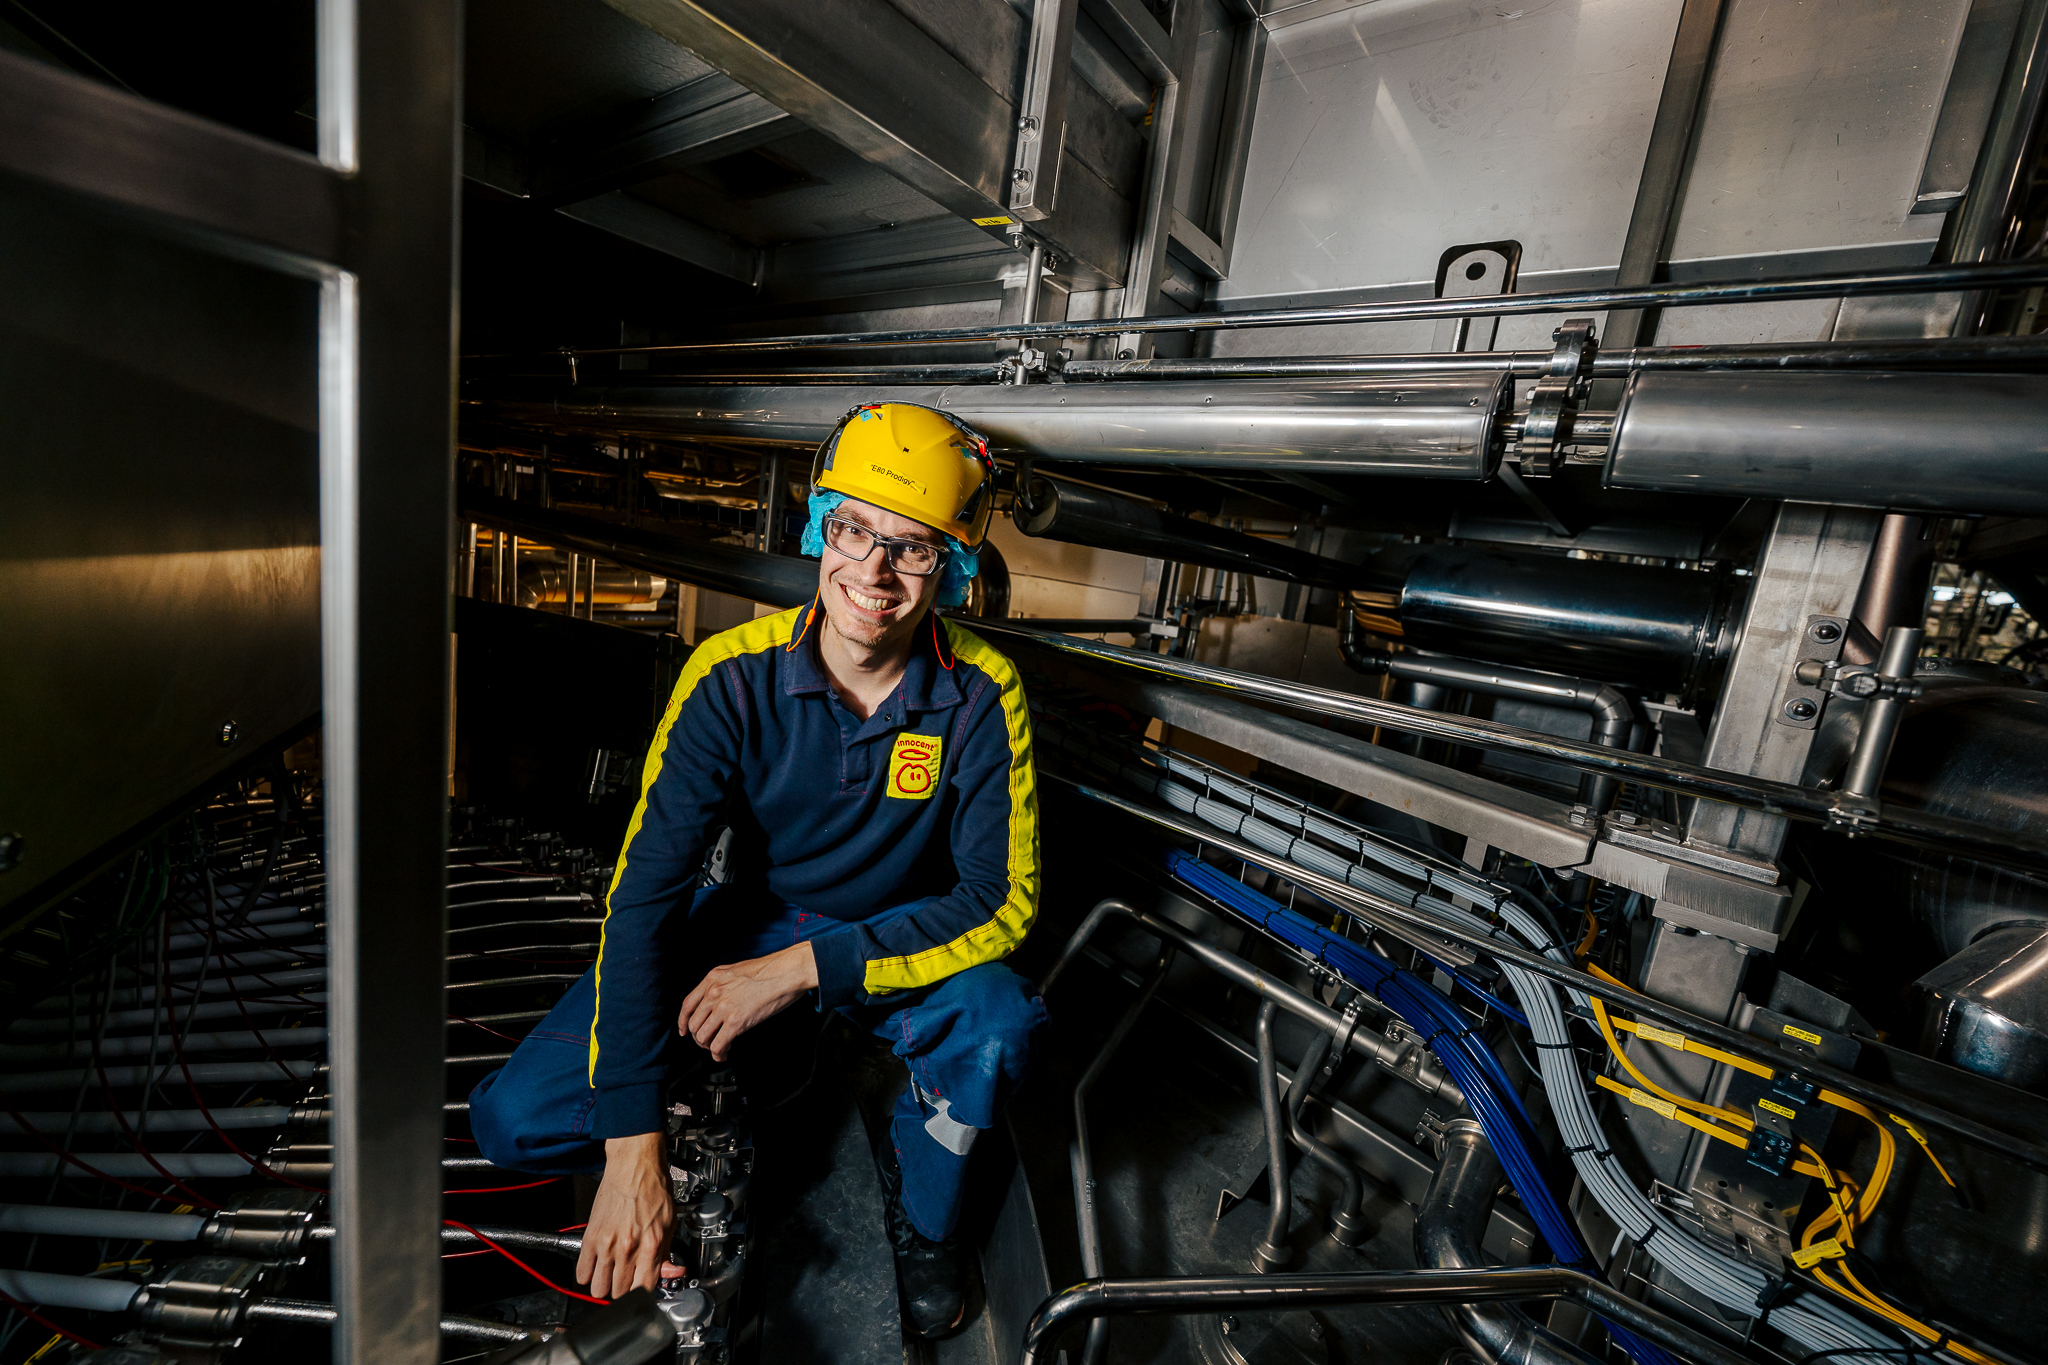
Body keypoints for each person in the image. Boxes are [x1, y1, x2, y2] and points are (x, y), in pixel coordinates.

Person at [470, 402, 1043, 1340]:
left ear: (953, 566)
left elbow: (998, 901)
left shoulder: (982, 693)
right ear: (820, 527)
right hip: (752, 921)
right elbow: (645, 902)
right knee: (512, 1118)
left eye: (913, 548)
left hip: (892, 936)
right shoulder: (729, 675)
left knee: (997, 1022)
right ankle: (709, 1110)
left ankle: (927, 1211)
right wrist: (632, 1145)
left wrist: (804, 970)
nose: (874, 571)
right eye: (855, 529)